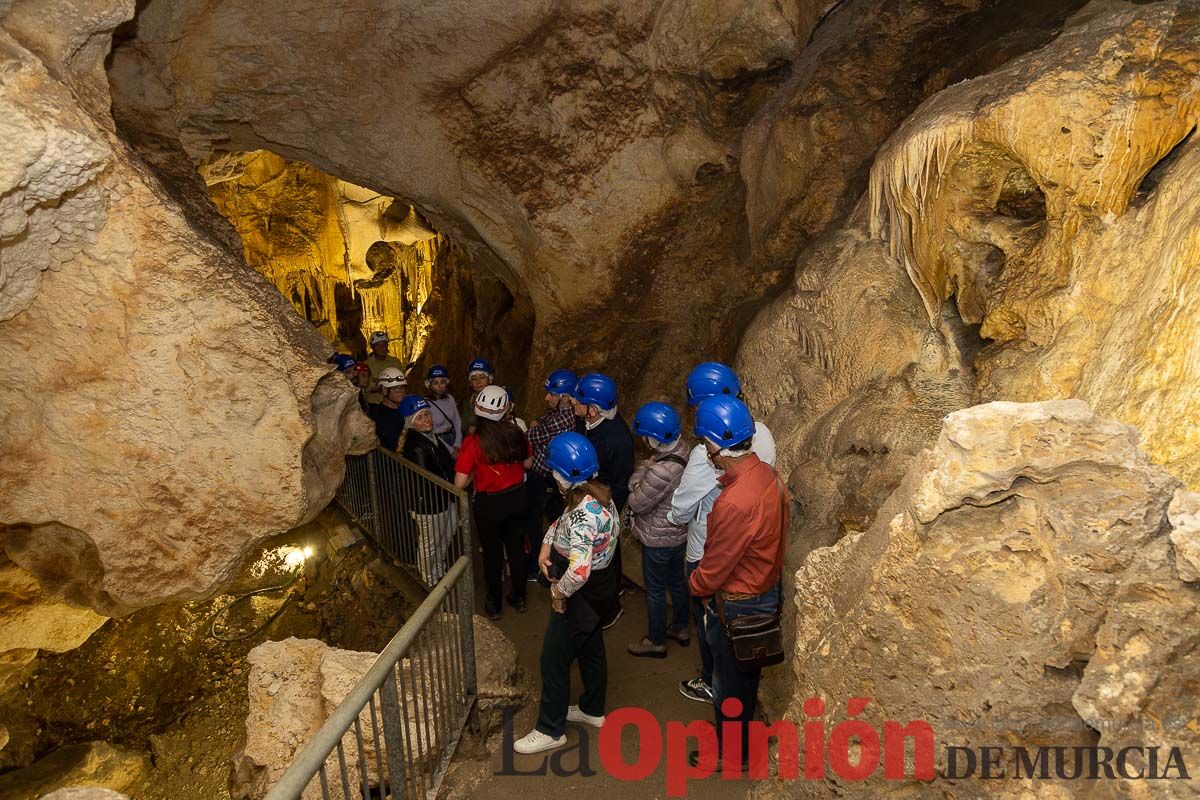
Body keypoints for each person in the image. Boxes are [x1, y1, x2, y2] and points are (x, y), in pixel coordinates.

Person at [686, 395, 787, 774]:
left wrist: (695, 584)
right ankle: (741, 741)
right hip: (764, 592)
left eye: (705, 443)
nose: (705, 450)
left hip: (739, 603)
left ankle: (733, 756)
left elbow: (714, 568)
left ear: (715, 445)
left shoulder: (734, 502)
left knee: (728, 684)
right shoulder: (767, 476)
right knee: (744, 680)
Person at [669, 361, 777, 704]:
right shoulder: (762, 433)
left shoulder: (707, 457)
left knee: (715, 633)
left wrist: (697, 584)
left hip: (711, 553)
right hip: (757, 558)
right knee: (745, 649)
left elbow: (680, 510)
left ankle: (713, 684)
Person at [514, 432, 620, 755]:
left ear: (561, 475)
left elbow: (579, 570)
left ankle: (550, 729)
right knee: (590, 646)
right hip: (602, 589)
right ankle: (592, 708)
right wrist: (547, 543)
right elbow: (563, 521)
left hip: (581, 593)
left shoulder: (581, 517)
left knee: (552, 658)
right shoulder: (597, 494)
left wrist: (559, 591)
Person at [454, 384, 532, 619]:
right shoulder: (516, 432)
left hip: (489, 504)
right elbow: (528, 464)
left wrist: (475, 473)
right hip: (518, 497)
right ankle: (519, 598)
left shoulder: (473, 442)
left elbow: (459, 483)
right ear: (504, 409)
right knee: (517, 549)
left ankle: (494, 604)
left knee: (492, 553)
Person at [625, 402, 691, 658]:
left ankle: (655, 640)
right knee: (678, 582)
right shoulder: (684, 449)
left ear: (653, 437)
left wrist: (642, 469)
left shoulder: (660, 469)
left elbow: (636, 501)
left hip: (657, 539)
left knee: (655, 590)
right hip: (679, 533)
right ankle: (681, 627)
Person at [572, 373, 634, 614]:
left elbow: (620, 485)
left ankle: (611, 595)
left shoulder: (618, 440)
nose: (573, 403)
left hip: (603, 504)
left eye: (578, 401)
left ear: (594, 410)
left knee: (606, 547)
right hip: (587, 496)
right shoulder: (585, 421)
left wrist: (602, 509)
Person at [526, 369, 579, 578]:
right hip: (546, 479)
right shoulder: (557, 414)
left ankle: (540, 568)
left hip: (546, 480)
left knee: (540, 523)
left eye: (552, 394)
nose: (547, 397)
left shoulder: (562, 419)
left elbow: (530, 436)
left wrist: (536, 430)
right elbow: (540, 424)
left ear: (565, 397)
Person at [400, 395, 457, 585]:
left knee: (447, 534)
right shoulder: (415, 445)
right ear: (410, 423)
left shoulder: (431, 437)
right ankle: (429, 579)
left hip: (442, 498)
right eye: (420, 417)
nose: (427, 420)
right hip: (429, 503)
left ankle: (438, 568)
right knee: (430, 544)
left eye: (427, 414)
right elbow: (427, 476)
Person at [424, 364, 462, 455]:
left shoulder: (450, 398)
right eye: (435, 383)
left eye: (442, 382)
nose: (440, 386)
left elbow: (457, 421)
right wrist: (451, 450)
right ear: (429, 384)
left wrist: (458, 444)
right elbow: (430, 432)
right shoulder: (425, 403)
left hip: (453, 437)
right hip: (438, 441)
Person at [369, 366, 408, 451]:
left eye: (402, 387)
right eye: (396, 388)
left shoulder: (404, 408)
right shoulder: (380, 415)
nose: (401, 391)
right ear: (384, 390)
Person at [365, 331, 406, 407]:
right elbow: (364, 388)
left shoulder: (395, 362)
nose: (382, 348)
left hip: (394, 404)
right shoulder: (367, 365)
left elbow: (402, 383)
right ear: (372, 346)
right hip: (374, 405)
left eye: (384, 344)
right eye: (378, 345)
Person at [460, 357, 494, 435]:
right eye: (474, 378)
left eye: (482, 377)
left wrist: (479, 430)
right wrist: (468, 430)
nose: (478, 382)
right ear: (470, 383)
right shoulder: (468, 401)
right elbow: (463, 427)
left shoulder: (498, 399)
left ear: (490, 379)